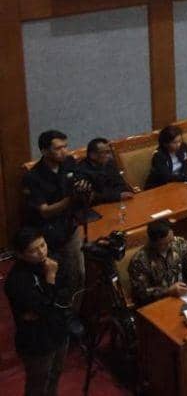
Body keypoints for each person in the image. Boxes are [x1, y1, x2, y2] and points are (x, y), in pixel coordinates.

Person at [4, 227, 72, 396]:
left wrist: (50, 303)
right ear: (20, 254)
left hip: (58, 330)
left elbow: (67, 293)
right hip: (36, 341)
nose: (41, 253)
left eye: (42, 245)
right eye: (33, 250)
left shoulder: (53, 261)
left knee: (56, 375)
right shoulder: (16, 280)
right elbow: (42, 308)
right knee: (38, 385)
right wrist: (50, 279)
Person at [22, 130, 84, 294]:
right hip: (47, 233)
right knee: (57, 277)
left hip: (70, 225)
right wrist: (70, 200)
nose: (65, 151)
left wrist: (84, 190)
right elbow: (45, 211)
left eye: (65, 146)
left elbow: (78, 183)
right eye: (58, 148)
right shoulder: (33, 177)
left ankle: (75, 311)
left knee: (78, 274)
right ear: (44, 151)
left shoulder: (69, 162)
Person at [128, 219, 187, 307]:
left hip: (183, 296)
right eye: (165, 244)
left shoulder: (180, 243)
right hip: (157, 304)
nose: (170, 245)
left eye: (171, 240)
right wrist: (167, 291)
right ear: (153, 242)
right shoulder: (139, 261)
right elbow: (141, 293)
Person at [74, 137, 136, 205]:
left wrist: (118, 195)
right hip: (99, 207)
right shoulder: (81, 170)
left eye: (109, 152)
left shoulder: (109, 163)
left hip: (118, 202)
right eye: (106, 153)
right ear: (93, 155)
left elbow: (121, 184)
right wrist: (117, 196)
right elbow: (92, 197)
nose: (109, 156)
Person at [145, 124, 187, 188]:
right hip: (160, 186)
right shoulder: (159, 156)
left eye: (180, 141)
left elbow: (184, 163)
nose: (179, 144)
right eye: (175, 142)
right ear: (165, 144)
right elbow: (167, 178)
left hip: (178, 182)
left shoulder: (183, 147)